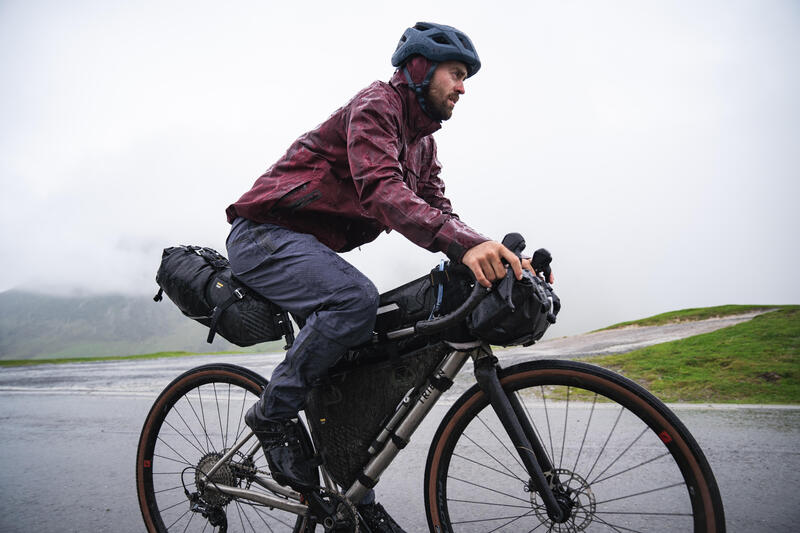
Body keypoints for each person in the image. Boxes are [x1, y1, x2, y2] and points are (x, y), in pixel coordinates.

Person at [225, 22, 551, 532]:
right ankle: (271, 415)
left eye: (466, 78)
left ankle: (352, 495)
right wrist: (463, 245)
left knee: (362, 348)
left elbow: (439, 208)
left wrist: (492, 253)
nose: (463, 88)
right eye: (456, 73)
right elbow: (381, 189)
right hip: (264, 233)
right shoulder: (376, 105)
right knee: (354, 300)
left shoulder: (423, 144)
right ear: (420, 69)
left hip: (305, 245)